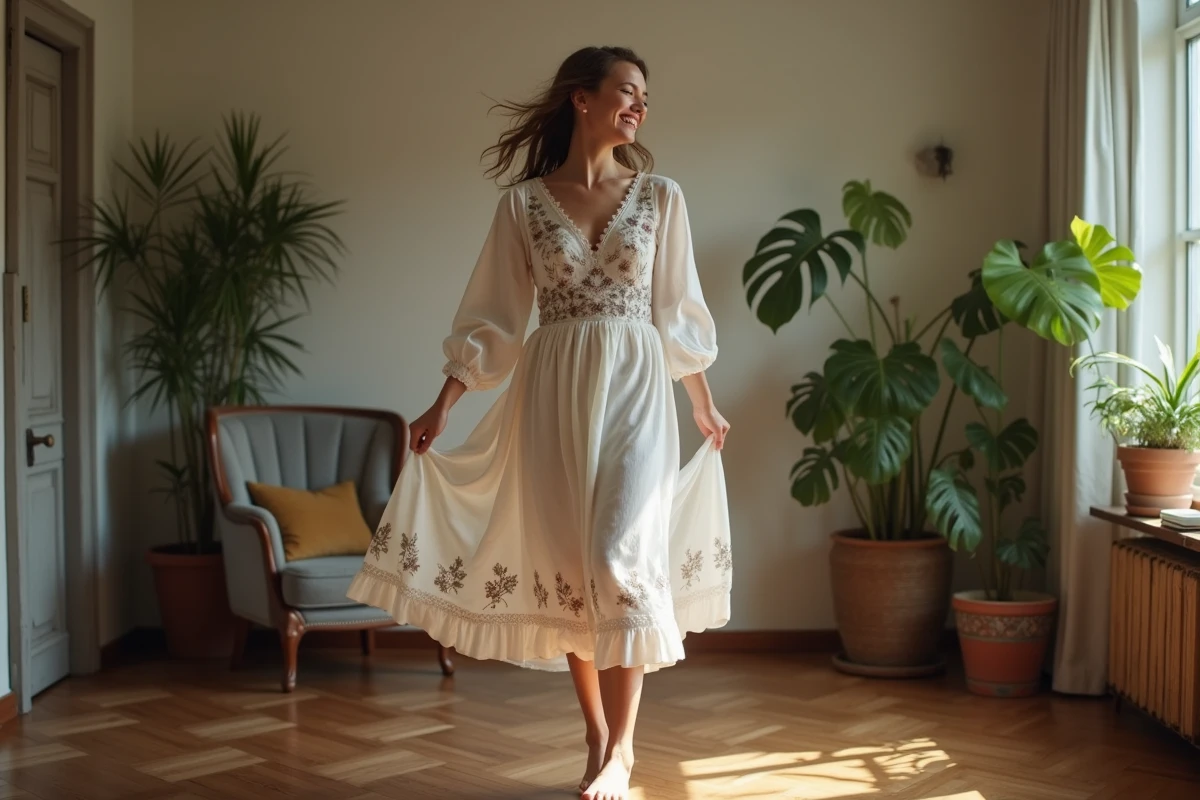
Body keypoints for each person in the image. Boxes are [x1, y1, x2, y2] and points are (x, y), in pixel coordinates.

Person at [347, 45, 732, 800]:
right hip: (552, 393)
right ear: (580, 98)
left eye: (645, 97)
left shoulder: (661, 197)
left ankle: (622, 752)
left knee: (623, 558)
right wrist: (444, 403)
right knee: (572, 572)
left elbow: (677, 309)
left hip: (636, 389)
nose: (640, 107)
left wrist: (701, 400)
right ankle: (595, 737)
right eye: (626, 91)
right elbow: (492, 319)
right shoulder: (522, 205)